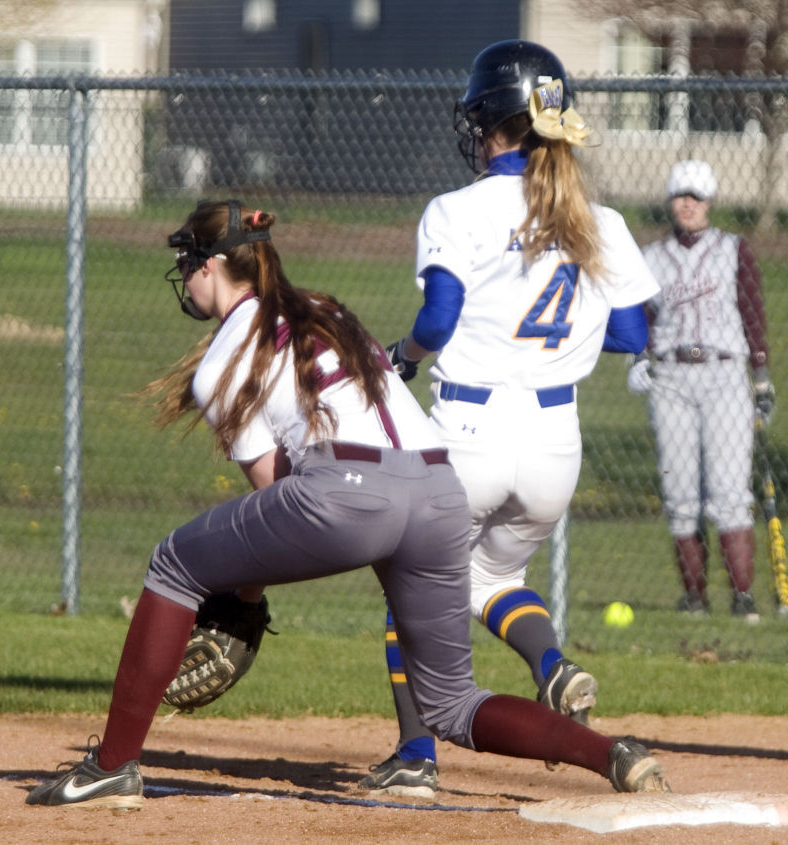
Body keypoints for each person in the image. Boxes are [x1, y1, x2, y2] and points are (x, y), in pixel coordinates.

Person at [23, 198, 668, 810]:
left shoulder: (223, 355)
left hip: (348, 491)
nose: (185, 281)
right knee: (451, 704)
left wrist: (245, 603)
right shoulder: (327, 309)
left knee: (173, 566)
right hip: (442, 489)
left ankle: (110, 768)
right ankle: (612, 753)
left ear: (213, 266)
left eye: (188, 266)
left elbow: (278, 493)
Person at [371, 40, 661, 799]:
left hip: (468, 434)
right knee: (493, 574)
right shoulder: (597, 216)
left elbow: (439, 318)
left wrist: (402, 354)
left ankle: (415, 755)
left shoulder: (457, 209)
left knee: (411, 583)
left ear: (494, 123)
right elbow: (634, 333)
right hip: (554, 448)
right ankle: (551, 665)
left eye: (479, 120)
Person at [627, 159, 773, 623]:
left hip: (725, 373)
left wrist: (762, 376)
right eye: (680, 196)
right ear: (671, 201)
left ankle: (743, 597)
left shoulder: (733, 249)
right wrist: (638, 357)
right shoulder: (650, 257)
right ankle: (694, 597)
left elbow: (752, 311)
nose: (687, 205)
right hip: (670, 378)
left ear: (709, 202)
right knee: (681, 492)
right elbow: (641, 319)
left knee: (730, 492)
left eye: (695, 197)